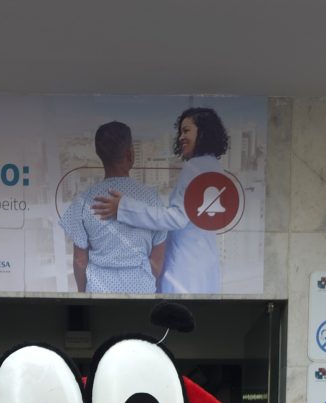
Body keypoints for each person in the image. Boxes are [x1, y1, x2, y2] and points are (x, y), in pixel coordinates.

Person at [93, 106, 230, 294]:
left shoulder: (195, 168)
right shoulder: (214, 166)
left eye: (186, 131)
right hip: (203, 264)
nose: (181, 137)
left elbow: (176, 218)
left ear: (203, 132)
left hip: (185, 268)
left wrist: (124, 207)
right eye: (180, 132)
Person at [59, 121, 167, 293]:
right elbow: (157, 262)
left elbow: (80, 261)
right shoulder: (152, 199)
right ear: (130, 154)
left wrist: (83, 293)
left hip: (99, 296)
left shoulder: (83, 201)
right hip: (141, 294)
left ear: (99, 154)